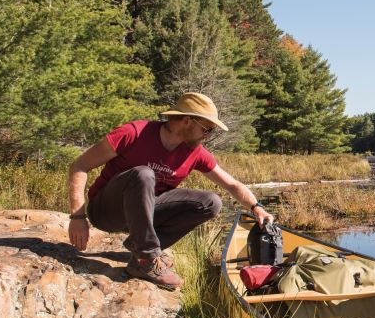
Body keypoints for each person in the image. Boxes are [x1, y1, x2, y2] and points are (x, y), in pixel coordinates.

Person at [67, 92, 274, 289]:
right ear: (187, 121)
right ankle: (147, 258)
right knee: (144, 174)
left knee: (211, 203)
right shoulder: (134, 133)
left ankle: (140, 250)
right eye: (207, 129)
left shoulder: (194, 152)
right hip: (106, 212)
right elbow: (79, 165)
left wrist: (257, 207)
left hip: (143, 215)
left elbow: (232, 184)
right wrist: (77, 217)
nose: (208, 135)